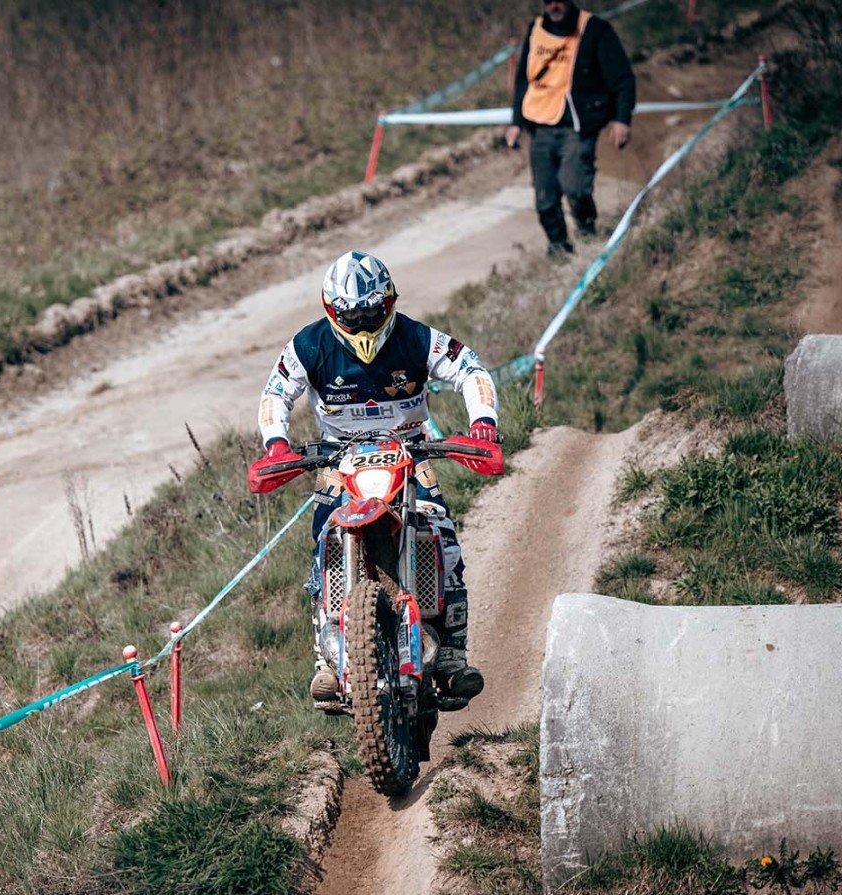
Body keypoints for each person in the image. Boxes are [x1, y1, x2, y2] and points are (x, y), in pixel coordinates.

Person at [251, 251, 498, 711]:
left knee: (442, 536)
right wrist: (276, 445)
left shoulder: (416, 337)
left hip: (410, 451)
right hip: (339, 459)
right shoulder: (308, 345)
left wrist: (482, 421)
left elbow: (471, 368)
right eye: (352, 316)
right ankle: (327, 659)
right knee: (324, 543)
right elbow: (275, 393)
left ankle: (451, 654)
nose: (363, 324)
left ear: (389, 303)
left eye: (371, 313)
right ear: (332, 310)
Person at [504, 0, 637, 258]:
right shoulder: (535, 29)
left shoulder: (595, 30)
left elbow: (623, 78)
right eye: (548, 1)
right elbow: (523, 79)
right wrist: (516, 122)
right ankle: (559, 248)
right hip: (539, 126)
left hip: (577, 127)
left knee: (575, 187)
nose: (554, 7)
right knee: (545, 197)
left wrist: (622, 119)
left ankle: (587, 233)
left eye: (559, 1)